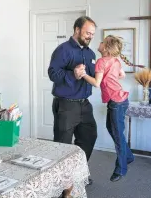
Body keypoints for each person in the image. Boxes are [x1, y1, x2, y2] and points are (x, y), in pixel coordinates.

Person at [48, 16, 97, 186]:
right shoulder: (63, 50)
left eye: (92, 34)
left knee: (89, 137)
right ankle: (61, 183)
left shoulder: (91, 53)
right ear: (77, 30)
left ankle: (77, 173)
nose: (90, 36)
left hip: (85, 104)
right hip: (66, 104)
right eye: (87, 33)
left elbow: (94, 77)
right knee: (62, 145)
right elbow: (52, 74)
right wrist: (72, 74)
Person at [78, 35, 134, 182]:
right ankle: (128, 156)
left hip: (116, 102)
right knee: (113, 129)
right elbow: (121, 75)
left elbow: (96, 83)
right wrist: (110, 78)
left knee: (117, 135)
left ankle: (121, 168)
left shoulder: (101, 61)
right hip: (121, 100)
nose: (100, 43)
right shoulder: (115, 61)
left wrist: (83, 74)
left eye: (102, 42)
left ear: (107, 48)